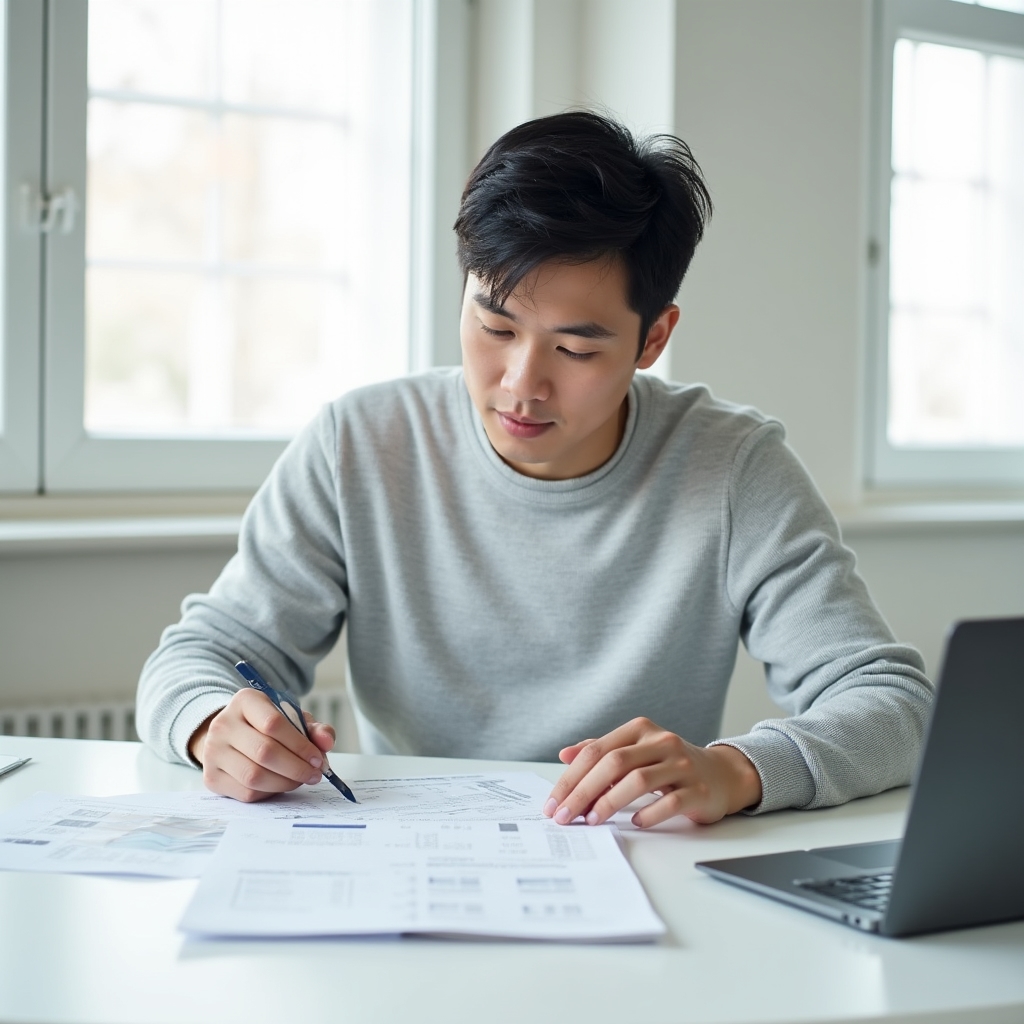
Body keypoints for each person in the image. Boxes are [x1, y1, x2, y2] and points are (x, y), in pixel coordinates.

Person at [137, 112, 932, 828]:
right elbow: (199, 655)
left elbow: (893, 705)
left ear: (653, 339)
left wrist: (733, 770)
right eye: (493, 324)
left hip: (642, 873)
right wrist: (213, 725)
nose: (521, 383)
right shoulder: (362, 442)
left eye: (577, 349)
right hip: (405, 861)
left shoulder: (732, 468)